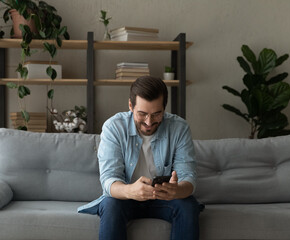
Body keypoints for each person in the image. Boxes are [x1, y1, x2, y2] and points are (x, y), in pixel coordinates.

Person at [78, 76, 202, 240]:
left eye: (157, 114)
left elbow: (189, 177)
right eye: (142, 114)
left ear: (164, 108)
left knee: (188, 205)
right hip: (126, 197)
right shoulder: (113, 127)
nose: (149, 122)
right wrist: (130, 190)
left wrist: (178, 190)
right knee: (111, 204)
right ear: (130, 106)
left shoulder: (179, 128)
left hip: (164, 198)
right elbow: (109, 180)